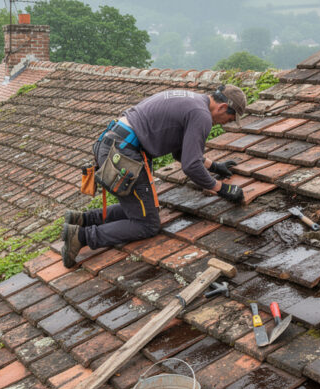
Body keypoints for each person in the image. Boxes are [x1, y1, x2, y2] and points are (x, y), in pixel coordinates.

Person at [61, 84, 248, 268]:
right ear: (222, 107)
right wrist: (221, 188)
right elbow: (191, 165)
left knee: (143, 208)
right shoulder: (202, 115)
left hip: (114, 143)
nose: (225, 123)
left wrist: (214, 166)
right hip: (125, 153)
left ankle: (84, 219)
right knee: (147, 224)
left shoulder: (193, 101)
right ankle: (81, 237)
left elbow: (182, 153)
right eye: (229, 119)